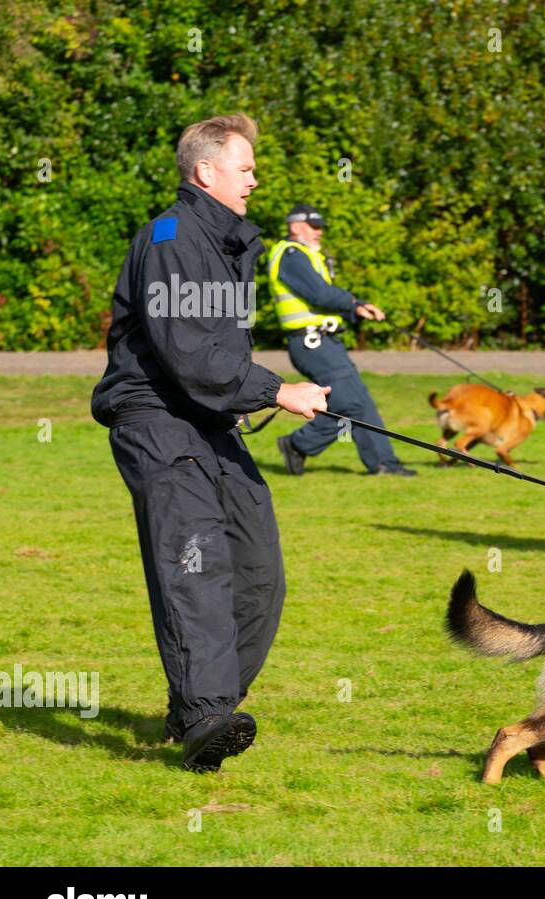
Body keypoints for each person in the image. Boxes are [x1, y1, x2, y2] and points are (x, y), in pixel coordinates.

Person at [90, 113, 331, 771]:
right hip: (160, 421)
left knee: (259, 571)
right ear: (206, 171)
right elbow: (189, 352)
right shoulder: (169, 241)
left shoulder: (220, 245)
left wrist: (248, 395)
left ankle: (198, 704)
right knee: (195, 565)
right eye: (245, 166)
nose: (255, 179)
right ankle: (205, 717)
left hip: (208, 422)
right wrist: (277, 390)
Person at [268, 204, 416, 476]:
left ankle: (385, 464)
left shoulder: (309, 255)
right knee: (349, 405)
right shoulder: (290, 255)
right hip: (312, 344)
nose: (319, 231)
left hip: (326, 342)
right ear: (295, 226)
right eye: (314, 226)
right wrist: (354, 303)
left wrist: (356, 308)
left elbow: (325, 298)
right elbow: (320, 295)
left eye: (320, 226)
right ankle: (297, 444)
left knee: (361, 401)